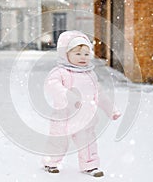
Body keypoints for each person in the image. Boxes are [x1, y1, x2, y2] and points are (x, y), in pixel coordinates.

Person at [42, 30, 121, 177]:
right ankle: (51, 162)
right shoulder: (60, 72)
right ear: (65, 54)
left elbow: (100, 94)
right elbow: (52, 85)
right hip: (63, 116)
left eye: (86, 54)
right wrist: (67, 96)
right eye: (77, 54)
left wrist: (111, 110)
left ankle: (90, 165)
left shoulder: (90, 74)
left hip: (85, 117)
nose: (82, 57)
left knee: (88, 142)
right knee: (58, 142)